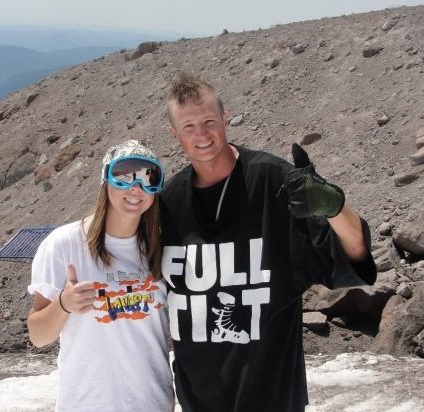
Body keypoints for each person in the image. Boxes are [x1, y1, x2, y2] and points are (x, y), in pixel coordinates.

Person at [159, 72, 377, 412]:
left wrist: (335, 207)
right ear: (174, 134)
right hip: (198, 402)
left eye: (209, 121)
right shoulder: (167, 204)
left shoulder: (274, 183)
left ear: (225, 117)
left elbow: (352, 259)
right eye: (188, 127)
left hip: (272, 399)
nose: (202, 134)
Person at [27, 140, 174, 412]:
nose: (135, 187)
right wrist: (63, 305)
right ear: (105, 179)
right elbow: (38, 335)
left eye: (147, 178)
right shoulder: (64, 244)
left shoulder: (162, 248)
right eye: (123, 175)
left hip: (152, 404)